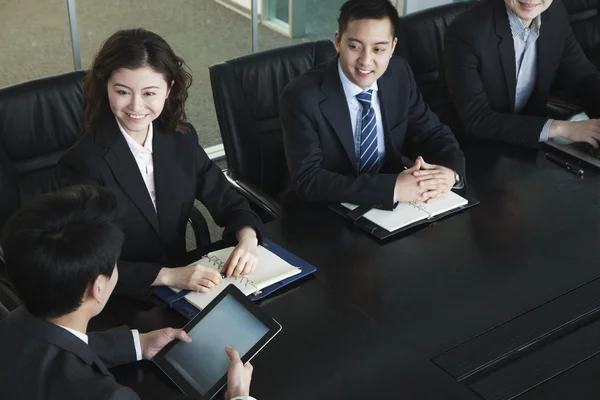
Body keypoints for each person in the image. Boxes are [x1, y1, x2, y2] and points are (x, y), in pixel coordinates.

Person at [0, 185, 255, 400]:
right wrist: (238, 395)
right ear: (98, 288)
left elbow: (55, 349)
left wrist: (140, 344)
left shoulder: (11, 325)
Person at [59, 29, 262, 296]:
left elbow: (227, 199)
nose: (135, 106)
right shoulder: (84, 162)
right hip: (117, 295)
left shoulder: (181, 139)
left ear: (169, 89)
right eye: (122, 91)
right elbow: (89, 261)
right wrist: (169, 276)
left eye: (149, 93)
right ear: (105, 88)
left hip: (184, 282)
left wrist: (248, 237)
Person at [281, 0, 465, 211]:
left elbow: (432, 133)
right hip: (325, 213)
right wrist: (393, 189)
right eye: (355, 47)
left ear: (392, 47)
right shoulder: (301, 96)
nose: (366, 61)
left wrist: (451, 173)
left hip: (390, 210)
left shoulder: (398, 74)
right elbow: (309, 179)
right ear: (338, 40)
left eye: (378, 49)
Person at [442, 0, 600, 148]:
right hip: (471, 149)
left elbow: (583, 76)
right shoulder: (467, 31)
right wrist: (560, 128)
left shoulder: (555, 13)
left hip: (526, 143)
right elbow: (478, 120)